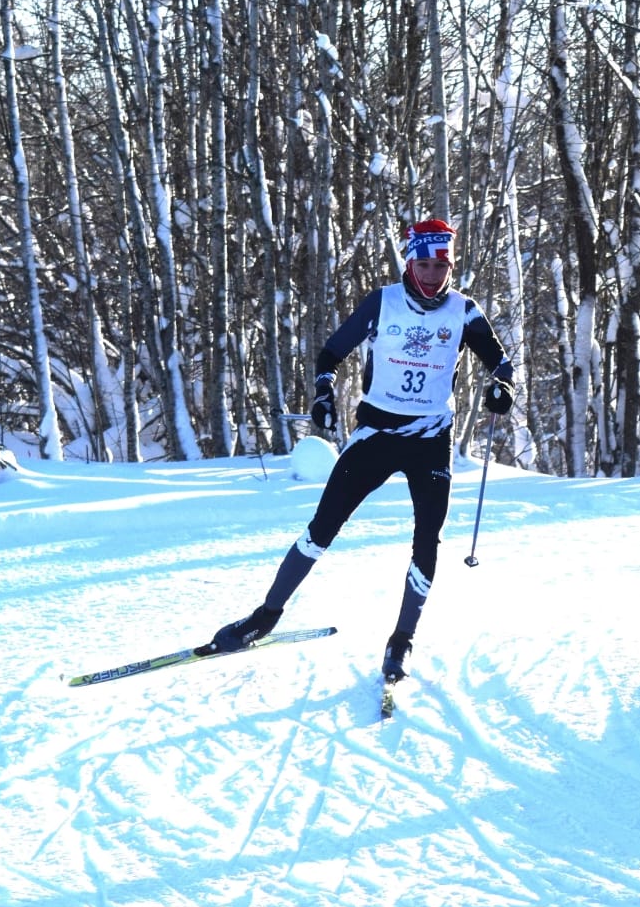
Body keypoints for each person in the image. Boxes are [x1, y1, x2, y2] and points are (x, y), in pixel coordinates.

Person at [211, 218, 515, 682]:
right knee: (322, 527)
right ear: (410, 262)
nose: (433, 274)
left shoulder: (464, 310)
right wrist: (322, 391)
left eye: (441, 266)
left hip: (431, 439)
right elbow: (331, 354)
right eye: (425, 264)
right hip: (376, 434)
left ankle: (401, 641)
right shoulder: (383, 302)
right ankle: (265, 616)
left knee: (426, 542)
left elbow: (502, 363)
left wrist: (502, 389)